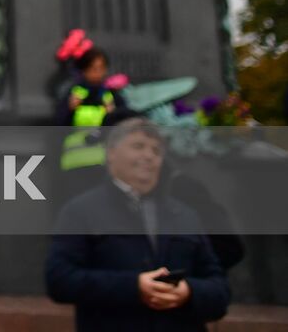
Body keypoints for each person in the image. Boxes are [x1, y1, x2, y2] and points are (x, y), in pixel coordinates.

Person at [46, 118, 230, 330]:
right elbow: (60, 280)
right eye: (138, 146)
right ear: (111, 153)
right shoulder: (80, 211)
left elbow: (219, 289)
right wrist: (134, 286)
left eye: (156, 150)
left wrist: (189, 291)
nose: (149, 156)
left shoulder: (185, 215)